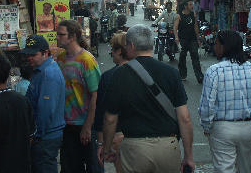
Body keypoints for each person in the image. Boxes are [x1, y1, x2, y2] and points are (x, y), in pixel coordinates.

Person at [101, 24, 195, 173]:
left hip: (134, 149)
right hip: (168, 147)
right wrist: (188, 156)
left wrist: (106, 149)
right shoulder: (171, 73)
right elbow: (184, 118)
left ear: (131, 46)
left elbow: (110, 119)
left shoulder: (119, 75)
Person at [198, 30, 251, 173]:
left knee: (224, 169)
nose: (214, 47)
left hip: (222, 129)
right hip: (247, 128)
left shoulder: (214, 71)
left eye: (217, 44)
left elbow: (207, 106)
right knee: (247, 168)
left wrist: (207, 127)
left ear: (225, 47)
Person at [56, 20, 101, 173]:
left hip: (85, 124)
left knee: (93, 167)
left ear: (73, 36)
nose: (57, 38)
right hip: (67, 125)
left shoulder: (87, 60)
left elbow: (96, 95)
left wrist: (88, 127)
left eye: (61, 34)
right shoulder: (60, 59)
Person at [21, 35, 66, 173]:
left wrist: (36, 135)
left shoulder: (48, 74)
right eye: (27, 55)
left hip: (45, 136)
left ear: (45, 53)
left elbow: (46, 111)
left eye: (33, 55)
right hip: (44, 134)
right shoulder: (40, 70)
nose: (29, 58)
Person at [95, 32, 131, 173]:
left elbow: (102, 114)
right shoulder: (144, 73)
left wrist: (102, 143)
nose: (111, 54)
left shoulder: (109, 76)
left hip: (119, 136)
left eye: (113, 50)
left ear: (120, 51)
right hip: (143, 137)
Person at [174, 0, 204, 84]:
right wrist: (176, 38)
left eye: (192, 4)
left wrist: (198, 39)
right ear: (185, 6)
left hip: (192, 39)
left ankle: (199, 76)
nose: (192, 6)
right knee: (182, 57)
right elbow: (175, 28)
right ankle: (182, 74)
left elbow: (195, 27)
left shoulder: (193, 14)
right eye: (190, 5)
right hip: (183, 40)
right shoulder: (179, 16)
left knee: (195, 58)